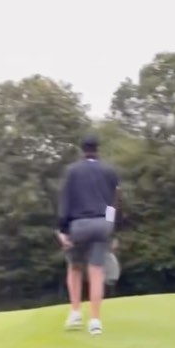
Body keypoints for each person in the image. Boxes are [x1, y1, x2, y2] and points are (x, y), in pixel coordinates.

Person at [56, 134, 120, 335]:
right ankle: (95, 321)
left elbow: (65, 202)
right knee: (96, 272)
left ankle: (75, 312)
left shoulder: (72, 171)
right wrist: (112, 228)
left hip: (79, 225)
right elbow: (114, 203)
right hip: (102, 224)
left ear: (82, 149)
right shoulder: (109, 171)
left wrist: (63, 230)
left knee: (75, 267)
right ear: (97, 148)